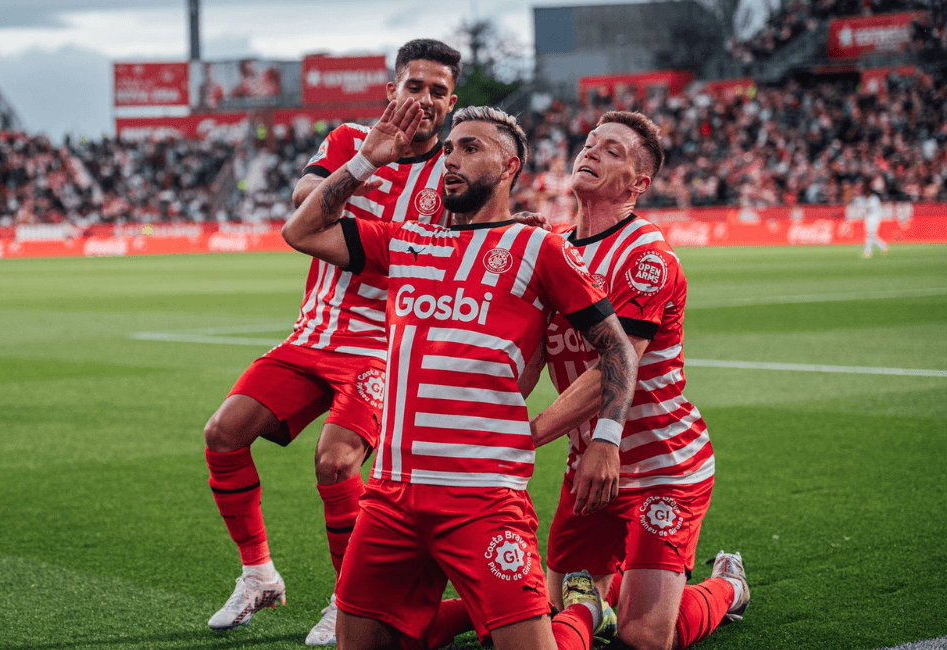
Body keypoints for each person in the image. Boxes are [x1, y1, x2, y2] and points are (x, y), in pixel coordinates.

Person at [282, 101, 640, 650]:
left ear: (509, 167)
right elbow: (300, 231)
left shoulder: (537, 248)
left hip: (483, 496)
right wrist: (365, 160)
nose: (450, 158)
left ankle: (583, 615)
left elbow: (616, 347)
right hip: (391, 498)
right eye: (448, 148)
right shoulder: (405, 241)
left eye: (470, 148)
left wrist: (607, 441)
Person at [202, 39, 461, 643]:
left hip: (383, 346)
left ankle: (349, 605)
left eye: (437, 91)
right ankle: (258, 576)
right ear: (391, 89)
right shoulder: (349, 139)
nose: (424, 99)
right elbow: (301, 206)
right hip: (314, 332)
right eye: (414, 86)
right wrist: (370, 162)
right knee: (223, 433)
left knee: (337, 460)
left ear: (452, 103)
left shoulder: (454, 166)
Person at [523, 111, 750, 650]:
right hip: (590, 463)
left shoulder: (644, 255)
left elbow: (613, 364)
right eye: (590, 143)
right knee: (555, 615)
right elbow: (528, 351)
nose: (591, 152)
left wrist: (527, 435)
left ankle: (727, 587)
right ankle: (618, 589)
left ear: (638, 185)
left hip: (659, 464)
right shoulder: (552, 248)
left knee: (645, 638)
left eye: (613, 151)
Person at [850, 182, 888, 258]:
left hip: (875, 217)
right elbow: (860, 205)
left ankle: (868, 251)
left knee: (870, 235)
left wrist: (864, 209)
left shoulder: (874, 198)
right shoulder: (865, 199)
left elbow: (871, 209)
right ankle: (883, 246)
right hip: (869, 218)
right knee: (871, 235)